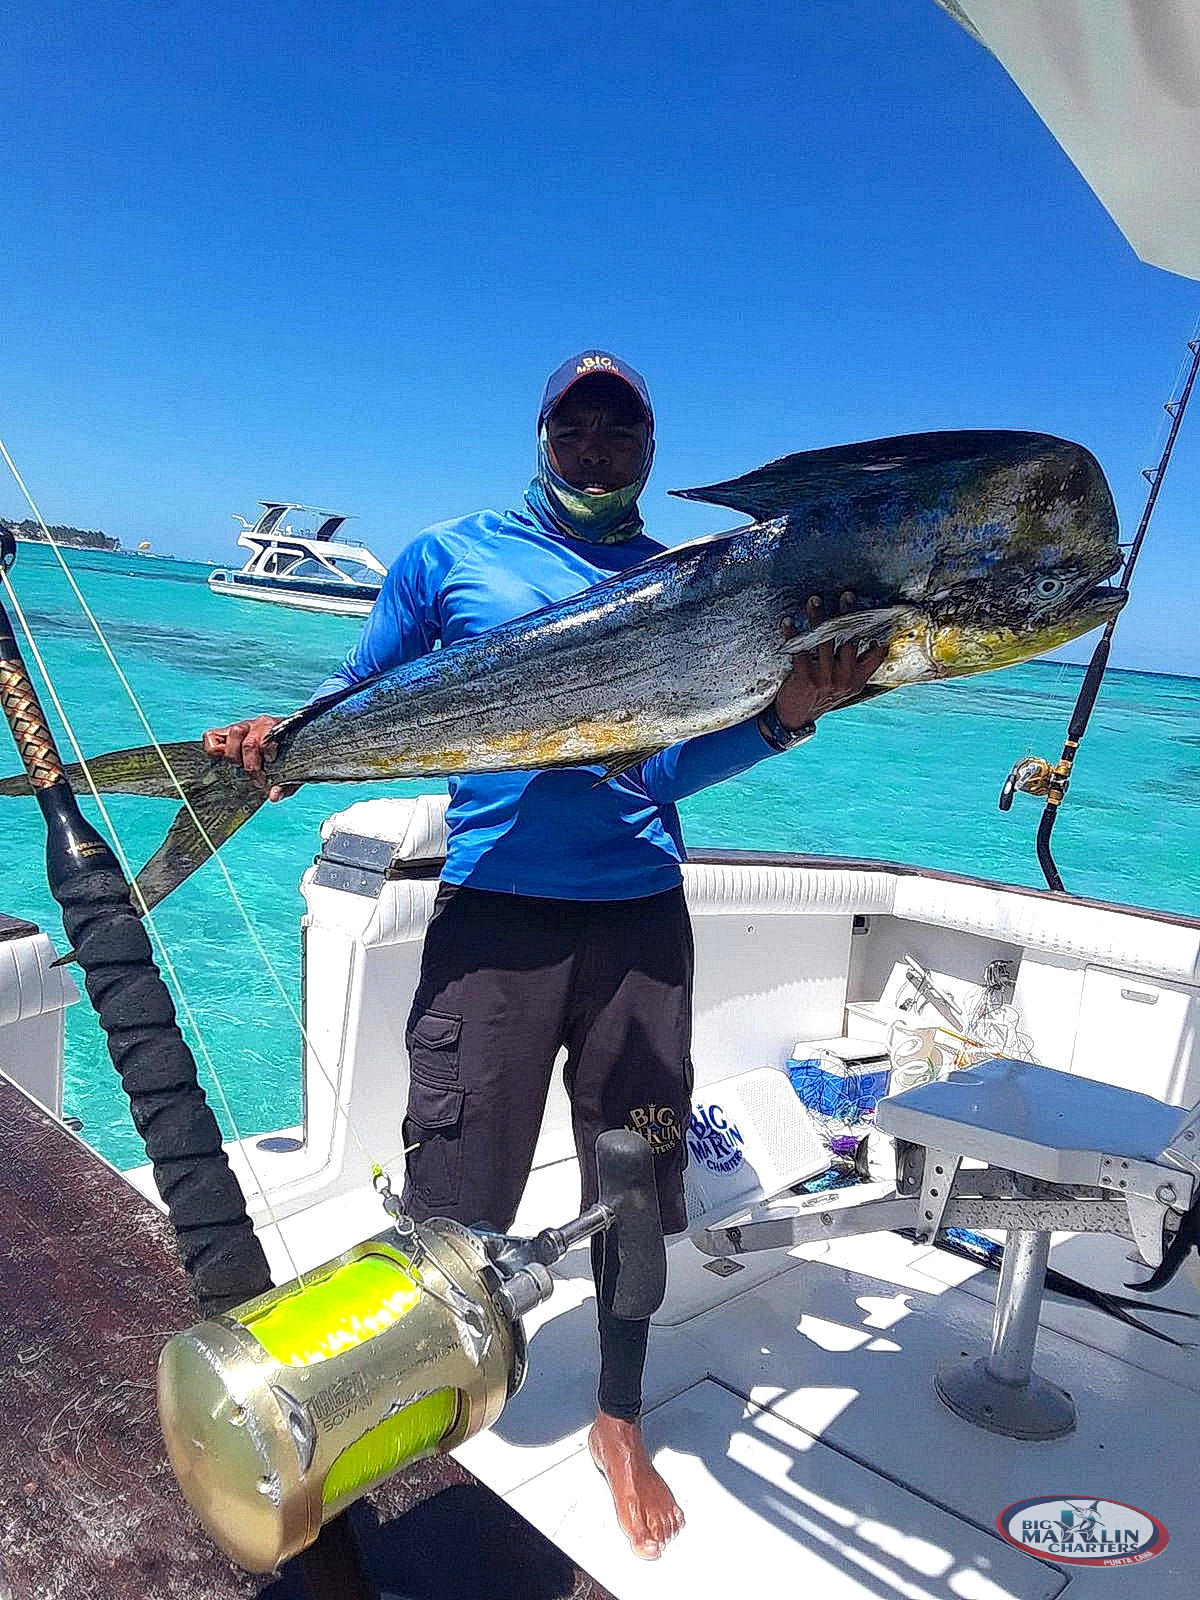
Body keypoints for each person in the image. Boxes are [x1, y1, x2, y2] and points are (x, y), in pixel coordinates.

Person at [203, 351, 884, 1559]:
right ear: (542, 433)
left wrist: (785, 719)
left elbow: (666, 762)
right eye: (580, 421)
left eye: (625, 425)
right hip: (494, 919)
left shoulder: (694, 583)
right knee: (456, 1196)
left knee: (636, 1184)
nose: (601, 442)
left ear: (652, 450)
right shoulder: (447, 556)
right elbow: (365, 689)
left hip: (637, 924)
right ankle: (408, 1417)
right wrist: (283, 736)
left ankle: (619, 1418)